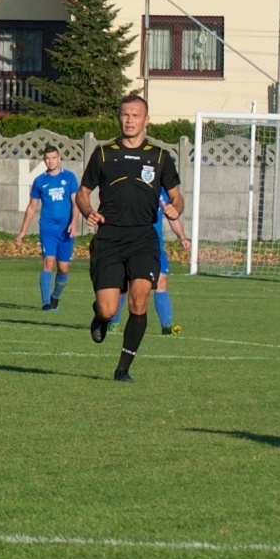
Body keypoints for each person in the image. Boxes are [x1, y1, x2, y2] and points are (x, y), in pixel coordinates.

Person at [75, 94, 183, 383]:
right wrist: (87, 211)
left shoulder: (160, 157)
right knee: (110, 308)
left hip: (143, 239)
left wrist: (175, 209)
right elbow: (82, 192)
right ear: (119, 118)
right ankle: (100, 316)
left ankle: (123, 368)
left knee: (139, 300)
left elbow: (176, 196)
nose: (130, 120)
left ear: (146, 120)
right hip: (109, 239)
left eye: (136, 115)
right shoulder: (103, 153)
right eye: (125, 114)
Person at [108, 189, 190, 335]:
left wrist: (182, 237)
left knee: (162, 282)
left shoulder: (163, 191)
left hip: (155, 245)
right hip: (132, 243)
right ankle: (113, 322)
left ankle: (167, 325)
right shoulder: (134, 185)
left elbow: (172, 216)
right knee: (125, 284)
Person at [19, 146, 80, 311]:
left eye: (53, 157)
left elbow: (76, 203)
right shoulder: (40, 181)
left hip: (66, 230)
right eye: (47, 158)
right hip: (48, 228)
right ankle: (46, 302)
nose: (50, 161)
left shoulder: (69, 177)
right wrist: (23, 230)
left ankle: (55, 297)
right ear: (44, 160)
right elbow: (32, 207)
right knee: (48, 262)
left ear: (59, 158)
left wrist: (74, 222)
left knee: (63, 268)